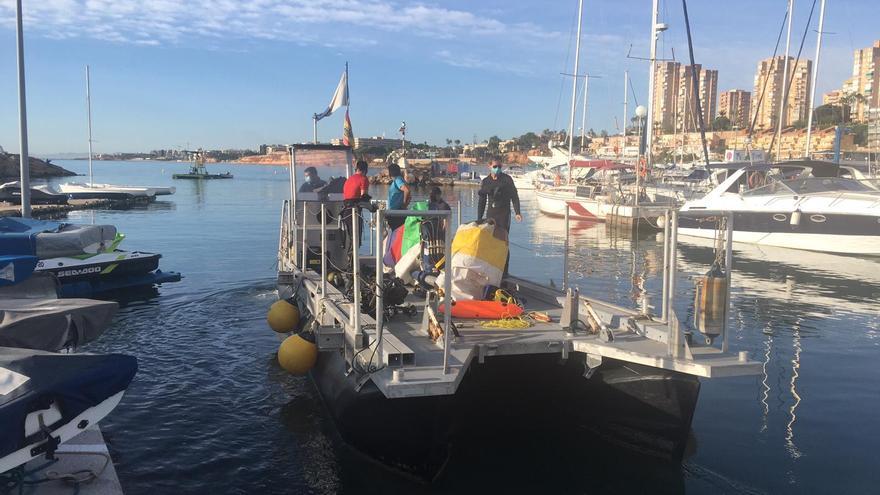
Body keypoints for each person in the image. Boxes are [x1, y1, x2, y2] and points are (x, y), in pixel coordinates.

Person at [477, 158, 522, 275]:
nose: (497, 169)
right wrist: (479, 218)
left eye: (500, 167)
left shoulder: (507, 179)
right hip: (491, 214)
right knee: (489, 242)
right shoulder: (486, 181)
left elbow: (514, 197)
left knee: (503, 243)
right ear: (489, 166)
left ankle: (504, 271)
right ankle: (491, 269)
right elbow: (482, 200)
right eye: (495, 166)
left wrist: (517, 212)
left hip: (504, 215)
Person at [341, 160, 371, 250]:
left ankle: (351, 261)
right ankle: (353, 262)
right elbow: (363, 198)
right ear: (366, 170)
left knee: (351, 239)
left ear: (356, 169)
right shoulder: (363, 179)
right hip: (354, 212)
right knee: (355, 241)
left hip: (345, 212)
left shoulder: (349, 179)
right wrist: (372, 207)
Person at [386, 163, 410, 231]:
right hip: (397, 212)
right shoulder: (400, 179)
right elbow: (409, 194)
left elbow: (407, 190)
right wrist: (405, 205)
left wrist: (404, 203)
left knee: (396, 232)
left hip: (396, 213)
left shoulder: (397, 180)